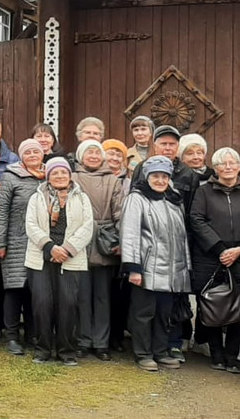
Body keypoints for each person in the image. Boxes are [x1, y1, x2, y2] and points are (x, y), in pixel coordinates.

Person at [188, 148, 240, 374]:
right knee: (212, 305)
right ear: (216, 168)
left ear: (239, 167)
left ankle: (232, 355)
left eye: (232, 163)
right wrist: (220, 248)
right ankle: (216, 354)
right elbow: (196, 219)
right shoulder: (204, 192)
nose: (228, 167)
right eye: (222, 163)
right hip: (211, 257)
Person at [121, 156, 191, 372]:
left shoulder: (174, 200)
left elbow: (182, 236)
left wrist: (185, 266)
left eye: (164, 176)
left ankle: (160, 351)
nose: (160, 181)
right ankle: (143, 354)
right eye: (156, 176)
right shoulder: (137, 198)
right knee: (143, 314)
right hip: (146, 267)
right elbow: (129, 233)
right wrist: (133, 267)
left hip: (171, 270)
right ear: (147, 177)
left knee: (164, 314)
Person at [25, 157, 94, 365]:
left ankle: (66, 351)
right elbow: (30, 225)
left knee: (68, 305)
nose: (60, 176)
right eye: (55, 173)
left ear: (70, 175)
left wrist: (66, 249)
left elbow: (87, 226)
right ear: (48, 176)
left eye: (63, 172)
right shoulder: (37, 197)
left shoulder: (81, 198)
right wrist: (50, 247)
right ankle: (43, 349)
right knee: (42, 304)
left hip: (70, 258)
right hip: (41, 257)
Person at [72, 140, 126, 360]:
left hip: (105, 241)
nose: (93, 156)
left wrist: (121, 240)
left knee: (103, 296)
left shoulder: (112, 180)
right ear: (81, 156)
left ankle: (101, 343)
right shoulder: (73, 178)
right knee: (82, 295)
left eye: (97, 152)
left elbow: (120, 212)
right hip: (79, 241)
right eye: (89, 152)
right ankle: (83, 340)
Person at [0, 138, 46, 355]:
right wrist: (0, 242)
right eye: (28, 152)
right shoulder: (10, 176)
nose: (32, 155)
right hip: (15, 241)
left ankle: (33, 333)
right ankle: (12, 336)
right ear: (21, 156)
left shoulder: (50, 175)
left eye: (36, 152)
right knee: (15, 289)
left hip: (41, 243)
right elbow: (1, 210)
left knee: (36, 289)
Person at [101, 138, 133, 350]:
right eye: (110, 153)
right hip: (100, 242)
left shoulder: (129, 182)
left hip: (122, 241)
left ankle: (117, 336)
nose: (114, 158)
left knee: (120, 293)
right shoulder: (97, 177)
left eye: (118, 154)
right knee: (101, 292)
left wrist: (124, 241)